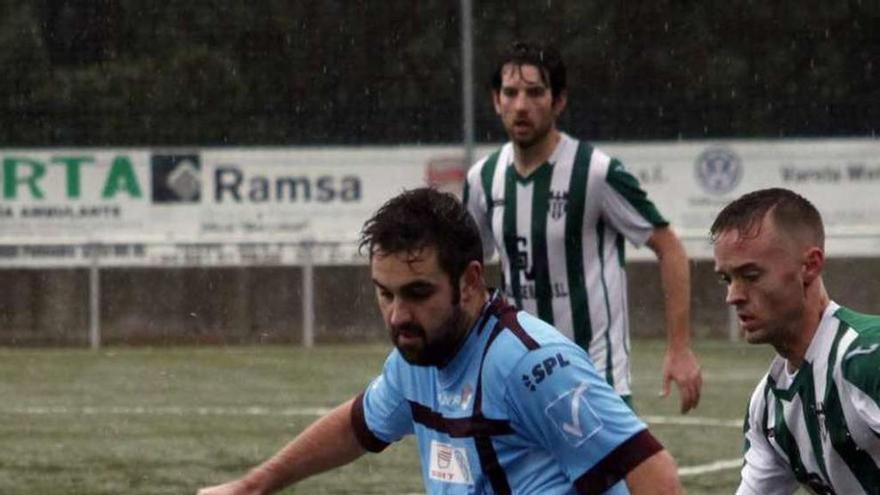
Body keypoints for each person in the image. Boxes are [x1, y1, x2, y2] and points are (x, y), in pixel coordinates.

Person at [198, 188, 683, 494]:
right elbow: (356, 426)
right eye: (384, 294)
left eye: (417, 293)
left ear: (470, 281)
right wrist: (253, 485)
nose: (397, 315)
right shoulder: (417, 356)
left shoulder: (532, 365)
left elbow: (655, 476)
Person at [463, 41, 701, 412]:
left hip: (595, 376)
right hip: (519, 375)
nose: (521, 105)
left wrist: (680, 348)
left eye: (535, 92)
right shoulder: (483, 179)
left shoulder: (595, 173)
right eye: (510, 93)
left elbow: (668, 246)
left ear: (559, 102)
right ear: (496, 101)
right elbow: (466, 270)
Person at [711, 187, 880, 494]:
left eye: (750, 275)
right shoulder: (767, 407)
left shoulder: (868, 359)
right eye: (727, 279)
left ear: (810, 266)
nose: (732, 296)